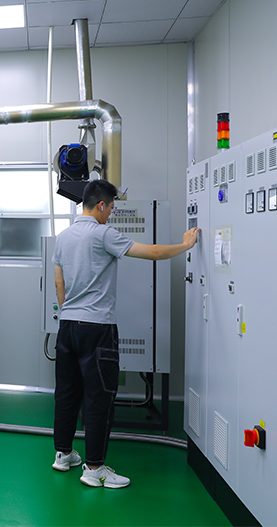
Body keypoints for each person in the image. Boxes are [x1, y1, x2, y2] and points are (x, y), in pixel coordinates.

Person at [51, 179, 199, 488]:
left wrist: (69, 313)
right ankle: (94, 469)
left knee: (67, 393)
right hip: (97, 328)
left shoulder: (63, 237)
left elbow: (59, 283)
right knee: (99, 397)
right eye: (111, 208)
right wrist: (185, 245)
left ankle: (63, 454)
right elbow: (153, 252)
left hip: (67, 327)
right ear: (100, 205)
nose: (111, 214)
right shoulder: (103, 234)